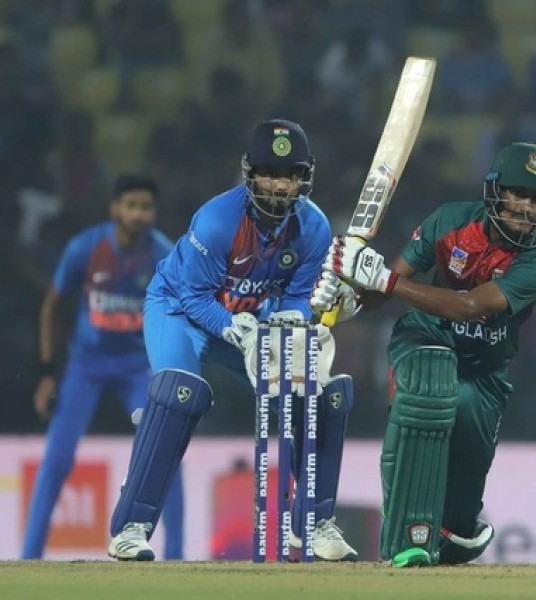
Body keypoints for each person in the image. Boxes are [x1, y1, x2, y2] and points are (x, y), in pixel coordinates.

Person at [107, 119, 358, 562]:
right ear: (250, 174)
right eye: (269, 174)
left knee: (314, 394)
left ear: (304, 177)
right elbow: (193, 296)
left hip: (252, 318)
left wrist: (292, 319)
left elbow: (298, 298)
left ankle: (313, 522)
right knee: (180, 394)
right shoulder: (216, 221)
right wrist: (232, 328)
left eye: (290, 175)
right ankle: (131, 526)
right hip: (179, 310)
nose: (279, 185)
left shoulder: (314, 228)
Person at [312, 142, 536, 567]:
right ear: (496, 191)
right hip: (425, 337)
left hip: (483, 369)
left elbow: (470, 305)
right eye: (518, 194)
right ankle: (405, 533)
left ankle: (458, 532)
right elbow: (385, 287)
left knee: (459, 518)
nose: (525, 207)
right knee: (428, 391)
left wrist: (383, 280)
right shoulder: (450, 222)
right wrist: (349, 296)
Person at [22, 174, 185, 560]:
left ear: (153, 212)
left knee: (165, 454)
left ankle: (177, 558)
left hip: (137, 367)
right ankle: (29, 557)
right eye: (130, 205)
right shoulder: (86, 247)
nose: (137, 214)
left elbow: (179, 316)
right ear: (115, 208)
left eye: (145, 207)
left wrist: (171, 369)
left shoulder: (163, 255)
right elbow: (52, 306)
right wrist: (47, 374)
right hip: (86, 366)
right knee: (57, 457)